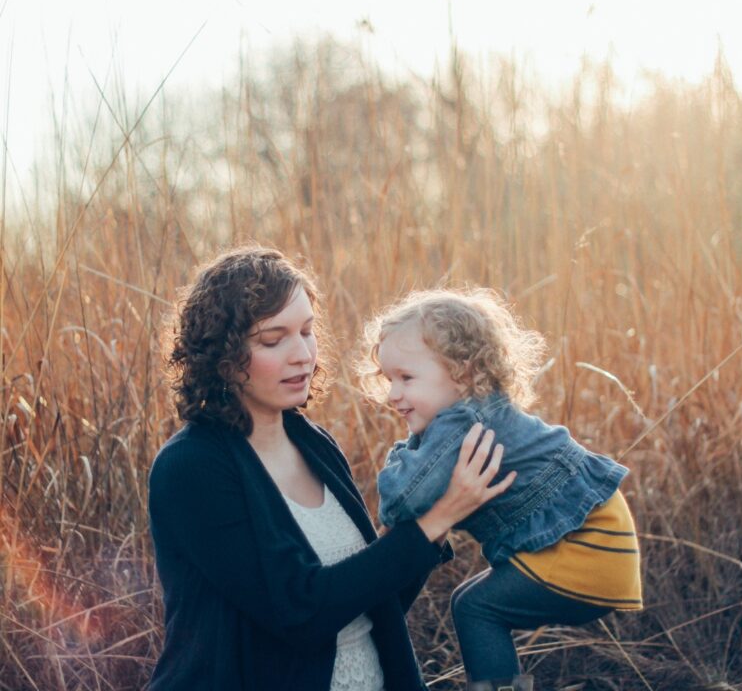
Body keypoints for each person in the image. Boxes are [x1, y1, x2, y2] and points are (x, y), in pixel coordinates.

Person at [147, 247, 515, 691]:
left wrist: (439, 512)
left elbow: (374, 603)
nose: (302, 354)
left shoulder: (314, 443)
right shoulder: (191, 468)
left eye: (306, 331)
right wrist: (437, 518)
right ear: (221, 355)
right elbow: (299, 613)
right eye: (273, 339)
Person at [359, 288, 643, 691]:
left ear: (462, 371)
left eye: (406, 378)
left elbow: (401, 501)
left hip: (586, 547)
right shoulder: (480, 410)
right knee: (466, 602)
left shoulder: (460, 423)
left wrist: (404, 451)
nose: (392, 394)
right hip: (601, 540)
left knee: (478, 609)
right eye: (388, 379)